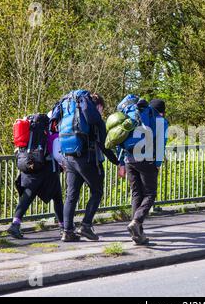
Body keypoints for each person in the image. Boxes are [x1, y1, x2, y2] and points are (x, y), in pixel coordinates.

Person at [53, 91, 119, 242]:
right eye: (102, 109)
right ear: (99, 106)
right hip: (86, 159)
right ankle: (86, 225)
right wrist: (117, 161)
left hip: (68, 157)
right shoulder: (95, 120)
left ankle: (67, 231)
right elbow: (104, 145)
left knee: (71, 195)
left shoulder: (71, 116)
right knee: (97, 191)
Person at [117, 99, 169, 245]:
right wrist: (158, 164)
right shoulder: (160, 121)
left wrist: (121, 163)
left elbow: (121, 139)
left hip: (129, 159)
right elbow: (160, 144)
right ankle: (136, 221)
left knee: (136, 194)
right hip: (146, 159)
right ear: (162, 111)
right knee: (150, 193)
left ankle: (138, 234)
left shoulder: (134, 116)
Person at [7, 116, 64, 239]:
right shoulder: (49, 134)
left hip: (30, 166)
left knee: (27, 196)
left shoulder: (32, 131)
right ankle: (63, 227)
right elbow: (55, 153)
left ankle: (15, 224)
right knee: (57, 197)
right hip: (46, 170)